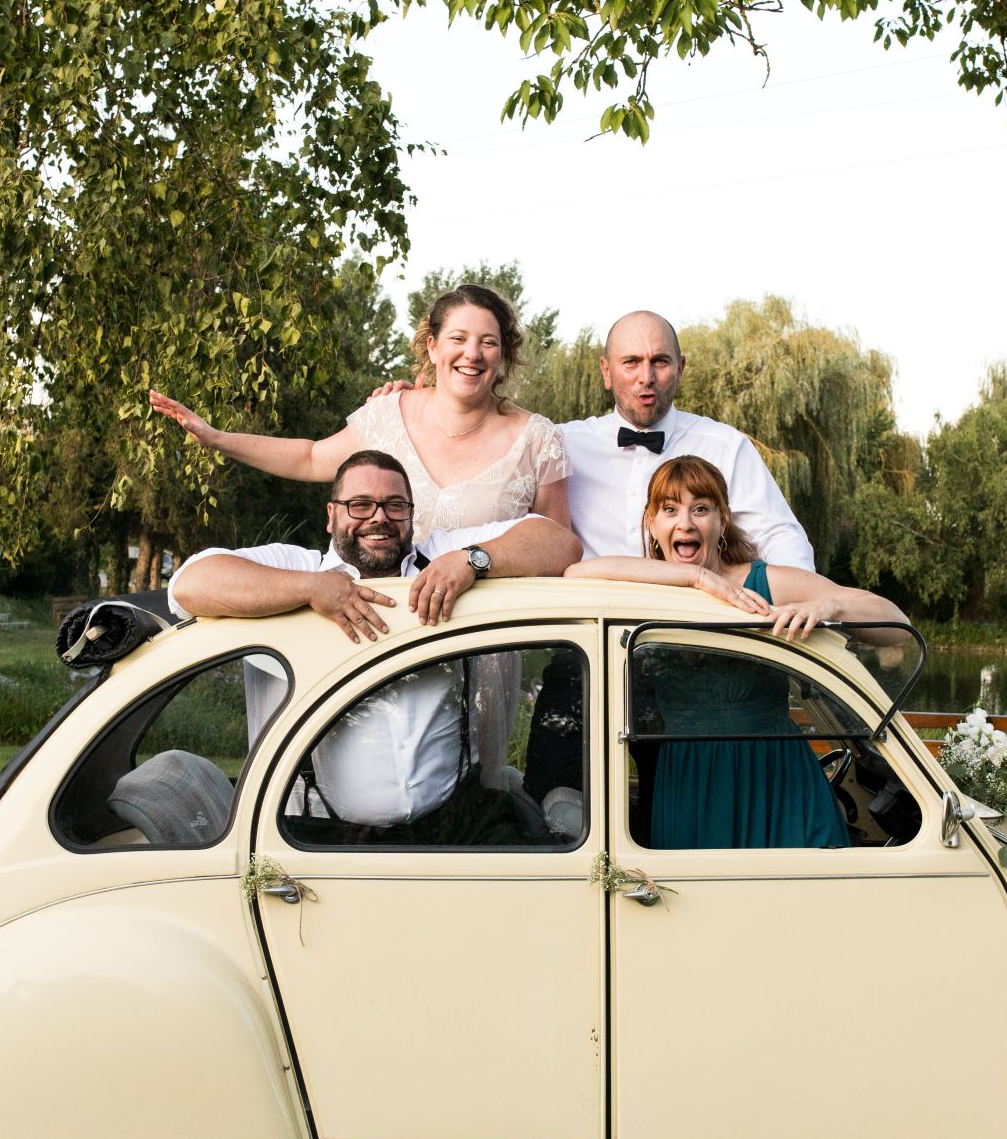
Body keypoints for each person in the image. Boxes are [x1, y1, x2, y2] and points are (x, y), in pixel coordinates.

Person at [167, 450, 579, 833]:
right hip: (316, 839)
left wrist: (471, 560)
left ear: (411, 515)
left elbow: (560, 544)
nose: (378, 518)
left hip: (450, 831)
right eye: (359, 505)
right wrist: (312, 589)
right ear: (331, 515)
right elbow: (190, 583)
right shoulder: (298, 567)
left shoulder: (443, 556)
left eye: (394, 505)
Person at [563, 455, 906, 849]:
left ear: (722, 521)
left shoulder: (762, 581)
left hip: (776, 780)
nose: (686, 523)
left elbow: (893, 622)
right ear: (651, 524)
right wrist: (695, 577)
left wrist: (829, 607)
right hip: (689, 784)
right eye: (670, 510)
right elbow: (576, 574)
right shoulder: (646, 588)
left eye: (701, 509)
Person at [149, 283, 572, 537]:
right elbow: (310, 457)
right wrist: (217, 437)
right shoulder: (386, 415)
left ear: (504, 354)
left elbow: (558, 547)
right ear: (433, 345)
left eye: (488, 342)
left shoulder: (537, 439)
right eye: (458, 338)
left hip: (487, 645)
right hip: (384, 643)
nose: (472, 354)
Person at [560, 310, 813, 567]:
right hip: (592, 606)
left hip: (696, 605)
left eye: (660, 361)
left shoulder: (727, 446)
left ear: (680, 369)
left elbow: (776, 535)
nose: (646, 378)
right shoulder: (562, 446)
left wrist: (801, 597)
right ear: (606, 371)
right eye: (631, 362)